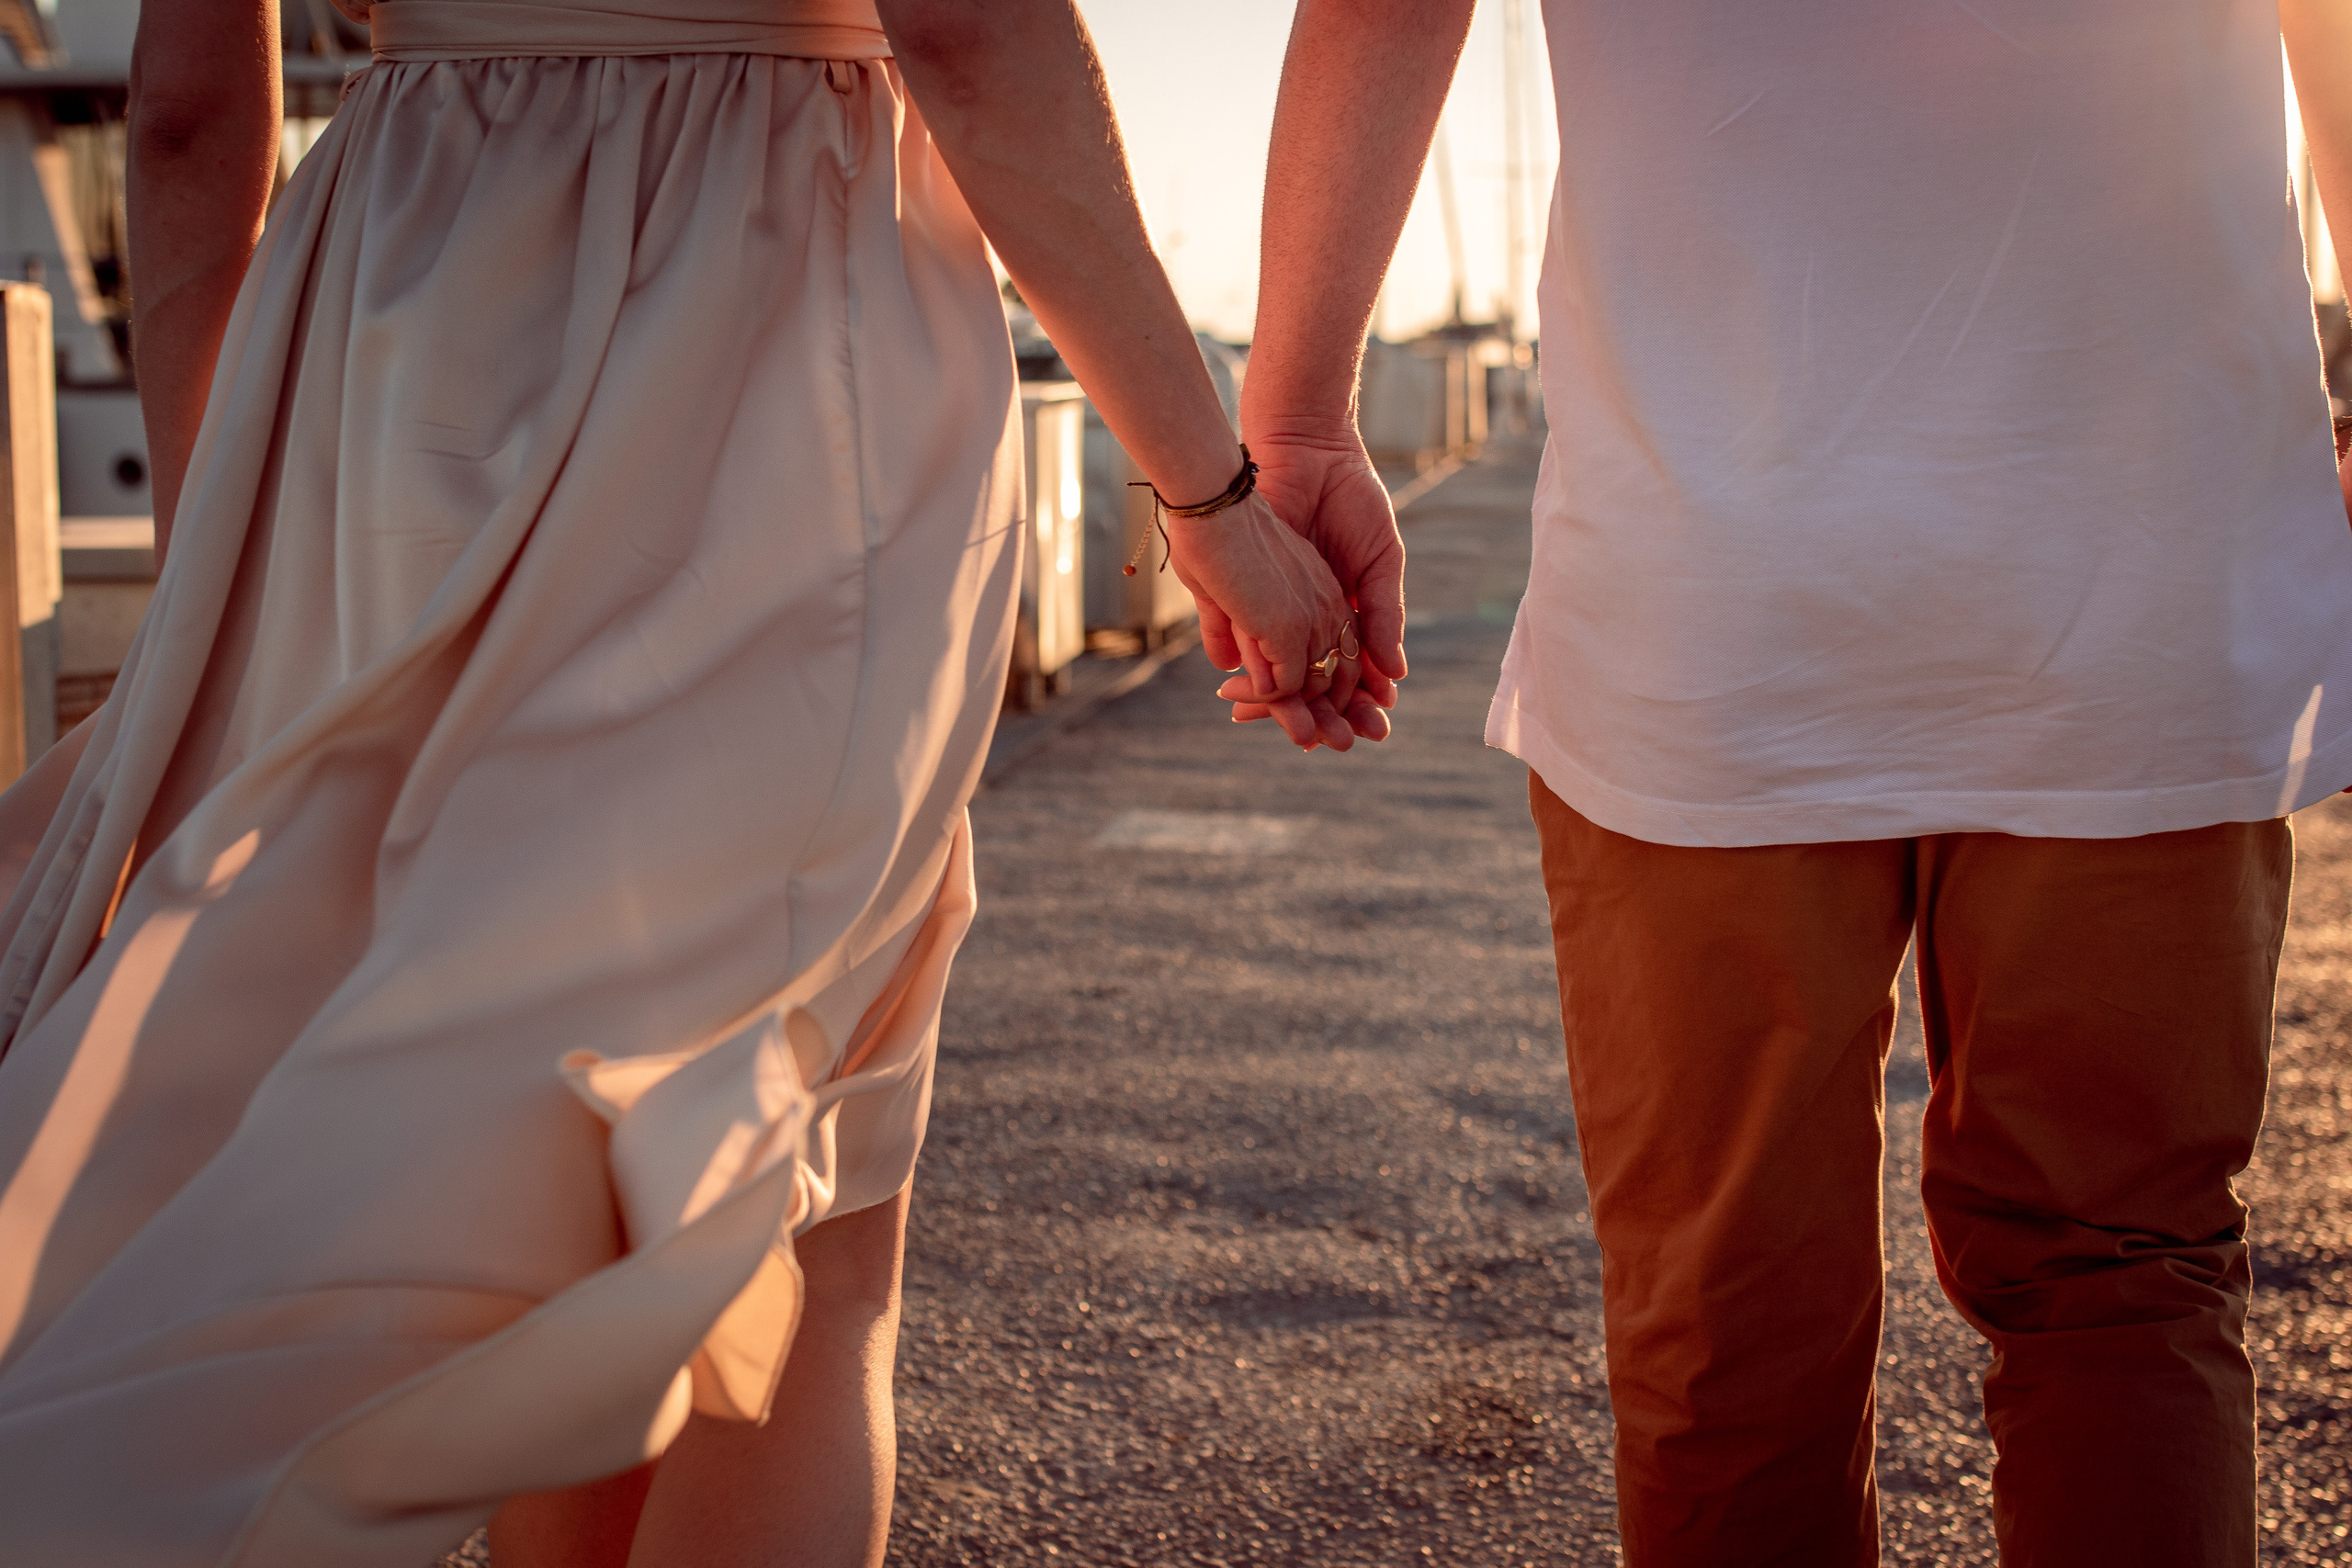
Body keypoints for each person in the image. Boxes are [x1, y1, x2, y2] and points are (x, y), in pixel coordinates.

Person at [0, 1, 1385, 1564]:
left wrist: (216, 562)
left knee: (557, 1161)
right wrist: (1211, 497)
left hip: (393, 321)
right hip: (776, 300)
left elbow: (188, 108)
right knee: (795, 1207)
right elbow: (970, 31)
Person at [1243, 1, 2352, 1562]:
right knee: (2123, 1282)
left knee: (1728, 1325)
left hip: (1717, 587)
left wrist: (1292, 422)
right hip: (2149, 562)